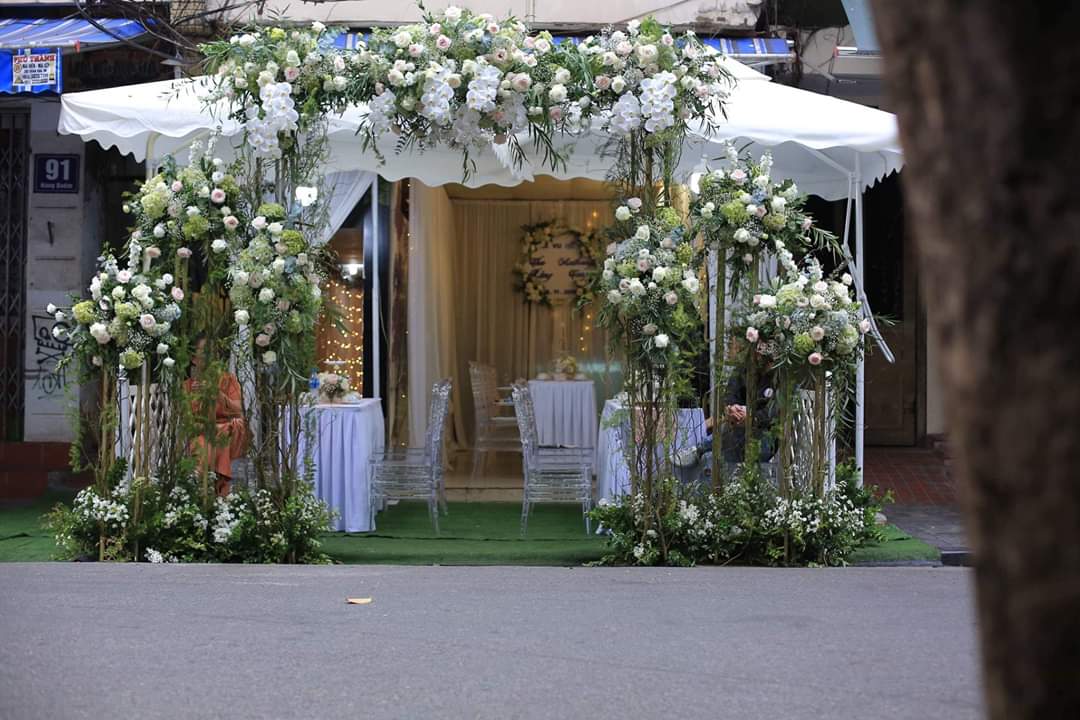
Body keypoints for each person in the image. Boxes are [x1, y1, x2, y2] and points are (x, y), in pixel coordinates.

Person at [184, 337, 248, 497]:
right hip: (200, 432)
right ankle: (214, 493)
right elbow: (186, 419)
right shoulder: (188, 386)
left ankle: (205, 487)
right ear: (194, 358)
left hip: (226, 431)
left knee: (220, 435)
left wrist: (218, 394)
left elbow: (239, 409)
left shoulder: (228, 380)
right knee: (207, 441)